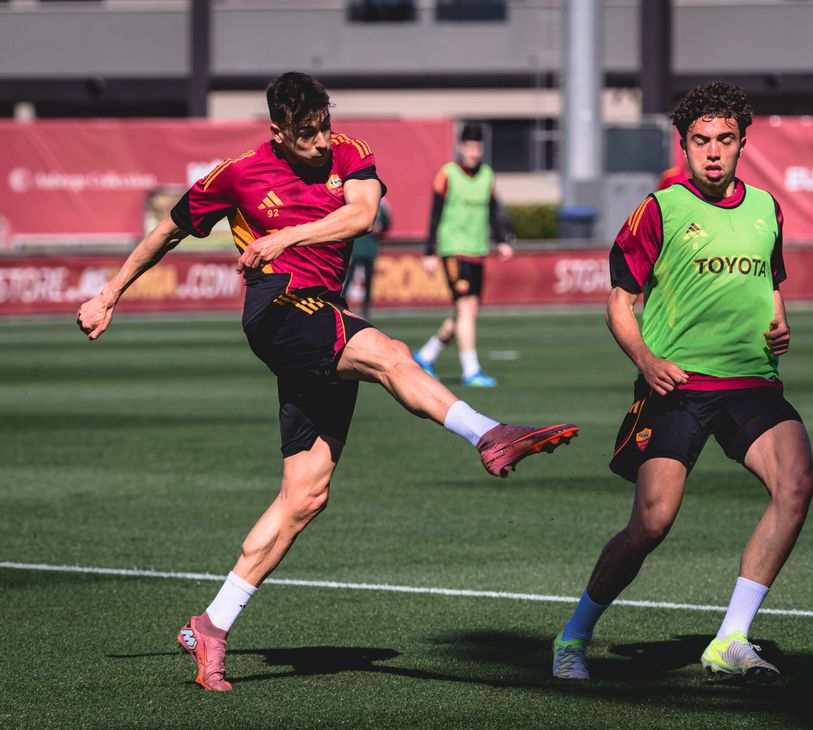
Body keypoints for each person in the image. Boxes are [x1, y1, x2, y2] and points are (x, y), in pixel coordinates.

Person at [75, 72, 578, 692]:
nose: (319, 142)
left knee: (306, 495)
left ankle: (212, 624)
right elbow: (168, 231)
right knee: (391, 354)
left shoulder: (349, 152)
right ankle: (488, 434)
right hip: (278, 310)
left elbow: (363, 217)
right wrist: (109, 293)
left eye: (323, 127)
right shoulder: (236, 174)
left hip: (320, 310)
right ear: (277, 132)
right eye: (305, 134)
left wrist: (287, 233)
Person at [550, 82, 813, 684]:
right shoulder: (660, 208)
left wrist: (780, 324)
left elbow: (771, 283)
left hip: (751, 384)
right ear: (685, 144)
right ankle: (575, 634)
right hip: (677, 387)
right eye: (701, 141)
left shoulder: (767, 208)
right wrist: (645, 360)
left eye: (725, 140)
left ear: (743, 143)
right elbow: (620, 303)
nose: (713, 152)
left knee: (796, 484)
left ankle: (730, 639)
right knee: (652, 521)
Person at [412, 123, 514, 387]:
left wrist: (502, 240)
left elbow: (493, 209)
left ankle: (426, 355)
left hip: (478, 250)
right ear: (460, 147)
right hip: (453, 249)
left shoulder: (488, 175)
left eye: (477, 147)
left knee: (465, 314)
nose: (473, 152)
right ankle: (471, 371)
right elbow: (435, 214)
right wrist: (430, 252)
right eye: (469, 146)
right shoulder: (447, 174)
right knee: (465, 308)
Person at [344, 197, 390, 319]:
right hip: (356, 246)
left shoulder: (382, 204)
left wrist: (380, 228)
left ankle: (366, 307)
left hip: (370, 247)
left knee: (369, 279)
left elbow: (386, 223)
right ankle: (341, 302)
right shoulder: (355, 199)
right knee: (348, 277)